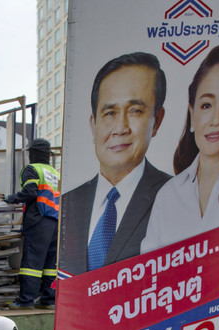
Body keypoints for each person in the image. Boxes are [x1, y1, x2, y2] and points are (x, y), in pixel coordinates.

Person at [57, 52, 170, 275]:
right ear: (93, 124)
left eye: (135, 111)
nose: (120, 128)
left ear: (157, 121)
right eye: (110, 112)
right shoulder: (69, 204)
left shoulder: (177, 198)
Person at [141, 43, 219, 255]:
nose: (216, 119)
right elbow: (148, 270)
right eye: (206, 105)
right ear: (192, 112)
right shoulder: (168, 194)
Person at [0, 138, 60, 308]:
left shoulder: (32, 169)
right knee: (50, 265)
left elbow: (31, 192)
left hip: (39, 220)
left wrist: (11, 198)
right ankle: (49, 300)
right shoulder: (55, 172)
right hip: (56, 221)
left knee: (31, 264)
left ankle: (26, 301)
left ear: (33, 153)